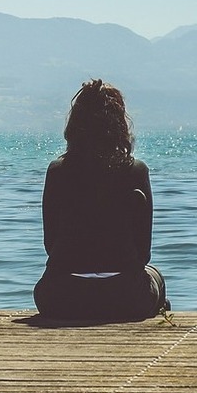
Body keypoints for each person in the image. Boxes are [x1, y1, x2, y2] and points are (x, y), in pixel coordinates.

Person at [33, 79, 169, 320]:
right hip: (126, 296)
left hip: (62, 296)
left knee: (45, 285)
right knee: (155, 275)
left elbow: (50, 245)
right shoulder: (136, 171)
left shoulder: (57, 171)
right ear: (119, 126)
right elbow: (143, 254)